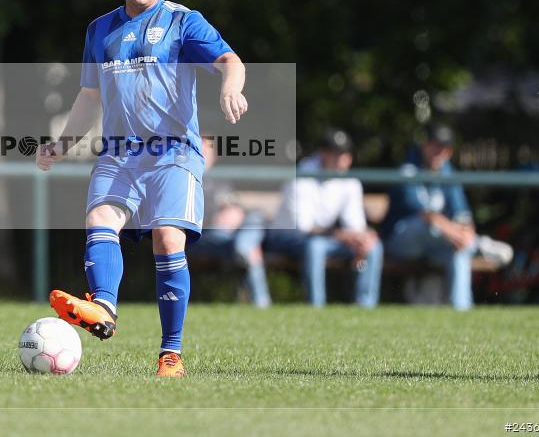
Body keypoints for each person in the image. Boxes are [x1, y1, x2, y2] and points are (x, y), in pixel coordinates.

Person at [36, 0, 248, 377]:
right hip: (119, 154)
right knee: (100, 221)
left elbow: (231, 61)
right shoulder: (100, 29)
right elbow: (89, 96)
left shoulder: (183, 22)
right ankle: (103, 309)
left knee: (167, 239)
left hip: (173, 153)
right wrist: (61, 144)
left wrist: (231, 85)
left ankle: (171, 353)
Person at [266, 129, 383, 307]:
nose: (340, 160)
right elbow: (304, 227)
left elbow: (355, 226)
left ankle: (366, 307)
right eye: (334, 154)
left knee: (373, 246)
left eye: (344, 155)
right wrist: (344, 235)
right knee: (315, 247)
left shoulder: (349, 182)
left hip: (325, 237)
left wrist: (362, 238)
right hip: (287, 236)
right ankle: (316, 306)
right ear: (322, 154)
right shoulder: (302, 175)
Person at [381, 124, 477, 310]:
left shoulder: (447, 171)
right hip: (402, 242)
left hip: (434, 243)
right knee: (428, 226)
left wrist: (465, 233)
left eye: (444, 148)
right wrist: (451, 230)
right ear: (424, 145)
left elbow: (462, 214)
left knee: (464, 246)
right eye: (434, 145)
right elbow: (425, 214)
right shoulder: (409, 168)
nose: (438, 152)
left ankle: (462, 311)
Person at [188, 135, 271, 308]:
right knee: (250, 248)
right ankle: (262, 302)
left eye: (207, 151)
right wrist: (214, 219)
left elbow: (233, 203)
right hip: (206, 236)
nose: (203, 154)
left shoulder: (221, 180)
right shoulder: (187, 179)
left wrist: (235, 213)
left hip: (234, 233)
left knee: (254, 218)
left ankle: (244, 245)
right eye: (199, 150)